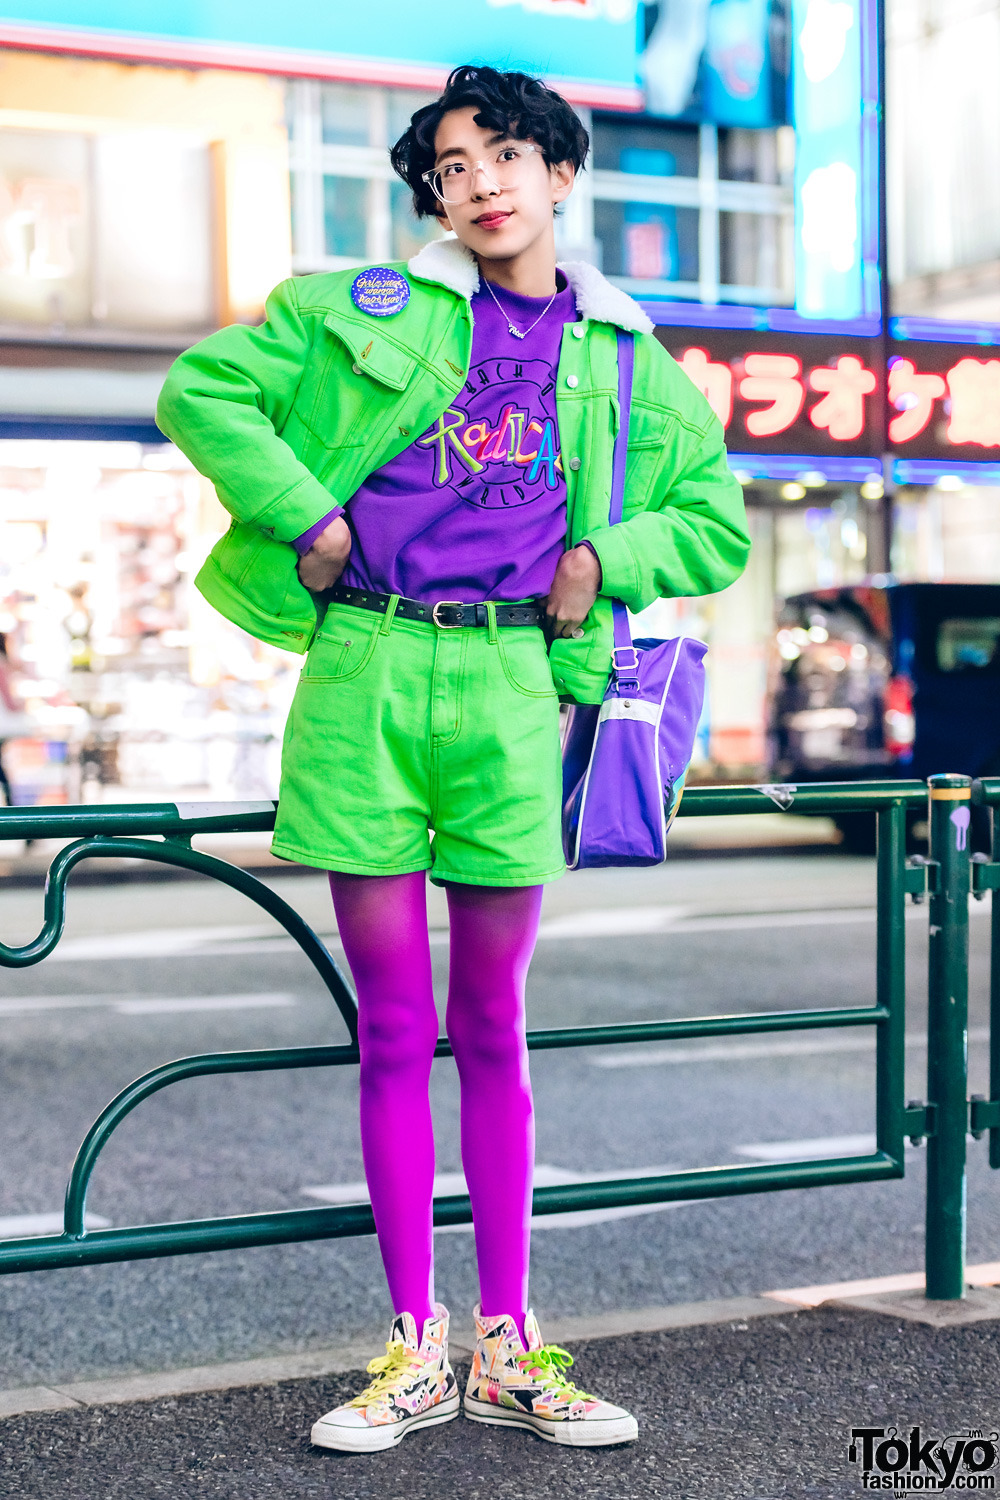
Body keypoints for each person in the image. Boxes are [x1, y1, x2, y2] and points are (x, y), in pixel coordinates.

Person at [156, 63, 750, 1454]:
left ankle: (507, 1347)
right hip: (362, 667)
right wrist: (303, 507)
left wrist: (610, 554)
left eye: (504, 157)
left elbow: (714, 521)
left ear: (559, 172)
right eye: (452, 167)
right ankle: (410, 1350)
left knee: (491, 1026)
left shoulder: (623, 357)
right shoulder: (352, 309)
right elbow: (202, 392)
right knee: (390, 1030)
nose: (478, 184)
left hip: (509, 682)